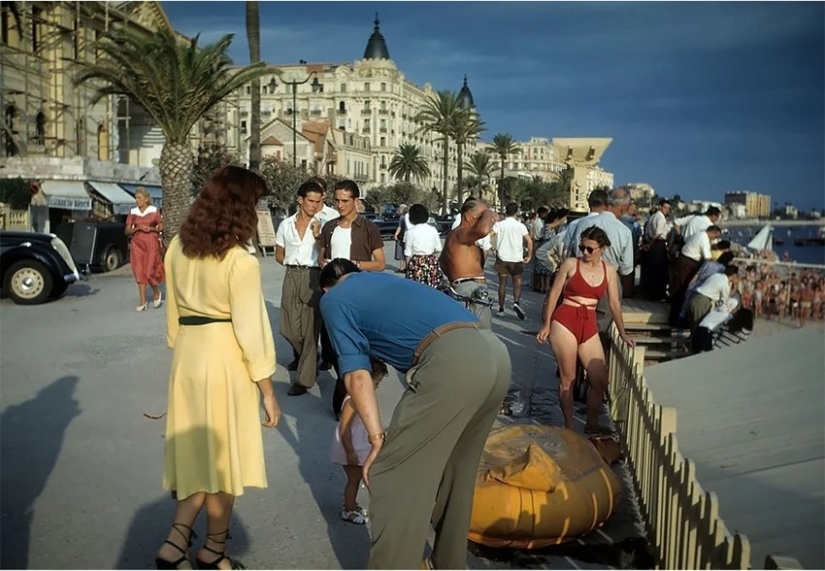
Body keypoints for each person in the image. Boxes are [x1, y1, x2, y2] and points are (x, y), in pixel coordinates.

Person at [319, 259, 510, 569]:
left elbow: (356, 376)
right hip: (494, 351)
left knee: (390, 473)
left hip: (451, 361)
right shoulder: (383, 280)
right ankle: (448, 564)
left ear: (325, 287)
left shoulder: (333, 299)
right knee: (457, 474)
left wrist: (377, 438)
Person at [158, 166, 280, 570]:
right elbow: (252, 330)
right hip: (225, 359)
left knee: (195, 458)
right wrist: (267, 391)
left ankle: (175, 546)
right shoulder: (240, 261)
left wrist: (183, 347)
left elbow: (174, 317)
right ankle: (213, 551)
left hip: (188, 359)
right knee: (224, 462)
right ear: (241, 207)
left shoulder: (177, 246)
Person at [536, 226, 635, 435]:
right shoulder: (571, 264)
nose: (585, 252)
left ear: (603, 248)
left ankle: (591, 422)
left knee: (599, 379)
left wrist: (623, 332)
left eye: (590, 249)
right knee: (568, 378)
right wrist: (546, 324)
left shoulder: (609, 271)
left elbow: (615, 305)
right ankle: (570, 426)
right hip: (565, 320)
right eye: (582, 247)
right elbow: (554, 294)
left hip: (589, 322)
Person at [318, 180, 386, 418]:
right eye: (336, 200)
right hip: (334, 295)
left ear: (356, 201)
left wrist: (353, 266)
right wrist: (324, 265)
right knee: (335, 349)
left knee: (355, 349)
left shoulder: (368, 229)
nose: (340, 205)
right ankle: (349, 393)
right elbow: (322, 255)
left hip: (359, 295)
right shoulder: (329, 228)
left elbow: (380, 263)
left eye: (345, 200)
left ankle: (346, 400)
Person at [275, 178, 325, 397]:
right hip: (291, 274)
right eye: (310, 201)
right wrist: (291, 263)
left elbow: (327, 255)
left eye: (317, 201)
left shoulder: (322, 224)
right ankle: (310, 358)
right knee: (288, 329)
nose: (314, 205)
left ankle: (303, 380)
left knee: (310, 329)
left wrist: (318, 236)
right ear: (300, 200)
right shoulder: (286, 225)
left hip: (314, 274)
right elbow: (279, 253)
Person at [330, 357, 388, 525]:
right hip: (351, 447)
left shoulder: (361, 399)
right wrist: (350, 452)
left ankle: (352, 504)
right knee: (354, 480)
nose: (376, 388)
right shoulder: (353, 401)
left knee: (357, 479)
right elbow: (345, 428)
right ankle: (348, 510)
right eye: (375, 384)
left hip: (359, 444)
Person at [441, 199, 498, 328]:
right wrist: (489, 212)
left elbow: (442, 261)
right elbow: (483, 230)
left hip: (463, 286)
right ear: (468, 216)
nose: (485, 219)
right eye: (481, 216)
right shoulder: (461, 233)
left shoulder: (455, 235)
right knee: (483, 334)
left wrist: (455, 277)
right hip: (471, 288)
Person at [490, 202, 533, 319]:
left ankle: (501, 308)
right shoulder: (521, 226)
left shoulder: (500, 225)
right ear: (516, 212)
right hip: (516, 258)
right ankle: (516, 302)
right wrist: (529, 255)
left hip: (502, 258)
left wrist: (493, 247)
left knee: (502, 284)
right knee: (517, 283)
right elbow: (529, 241)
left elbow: (490, 235)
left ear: (506, 211)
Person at [126, 186, 164, 312]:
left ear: (146, 199)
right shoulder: (133, 212)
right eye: (136, 198)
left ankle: (156, 291)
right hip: (137, 244)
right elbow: (127, 230)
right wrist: (137, 228)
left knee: (149, 272)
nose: (137, 200)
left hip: (151, 243)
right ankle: (142, 301)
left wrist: (152, 229)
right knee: (139, 271)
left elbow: (161, 227)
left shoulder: (154, 211)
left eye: (139, 198)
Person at [404, 203, 443, 288]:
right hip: (431, 261)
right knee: (433, 288)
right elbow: (438, 249)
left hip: (416, 262)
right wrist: (433, 260)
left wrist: (408, 269)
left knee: (416, 289)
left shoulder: (410, 232)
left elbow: (408, 254)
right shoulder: (433, 230)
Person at [393, 204, 408, 273]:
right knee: (406, 252)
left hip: (401, 236)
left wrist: (396, 234)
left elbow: (399, 227)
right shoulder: (408, 217)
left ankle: (402, 267)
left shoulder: (402, 217)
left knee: (400, 252)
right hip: (407, 236)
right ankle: (406, 267)